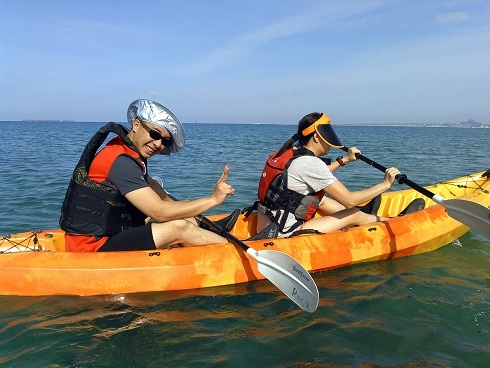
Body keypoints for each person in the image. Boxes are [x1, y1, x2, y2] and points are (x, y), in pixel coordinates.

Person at [60, 99, 238, 252]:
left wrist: (188, 212)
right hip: (93, 246)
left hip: (111, 232)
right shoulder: (121, 162)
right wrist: (213, 200)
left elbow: (154, 187)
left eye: (165, 141)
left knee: (184, 215)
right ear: (136, 125)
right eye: (154, 134)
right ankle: (232, 250)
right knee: (178, 227)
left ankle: (210, 232)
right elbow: (159, 213)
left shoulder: (127, 150)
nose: (158, 144)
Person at [252, 112, 424, 238]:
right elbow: (349, 200)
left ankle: (364, 214)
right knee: (353, 212)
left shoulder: (285, 153)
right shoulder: (310, 163)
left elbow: (311, 176)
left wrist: (345, 160)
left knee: (320, 199)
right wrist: (385, 184)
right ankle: (395, 222)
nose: (330, 141)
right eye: (326, 135)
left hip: (266, 224)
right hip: (284, 233)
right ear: (317, 138)